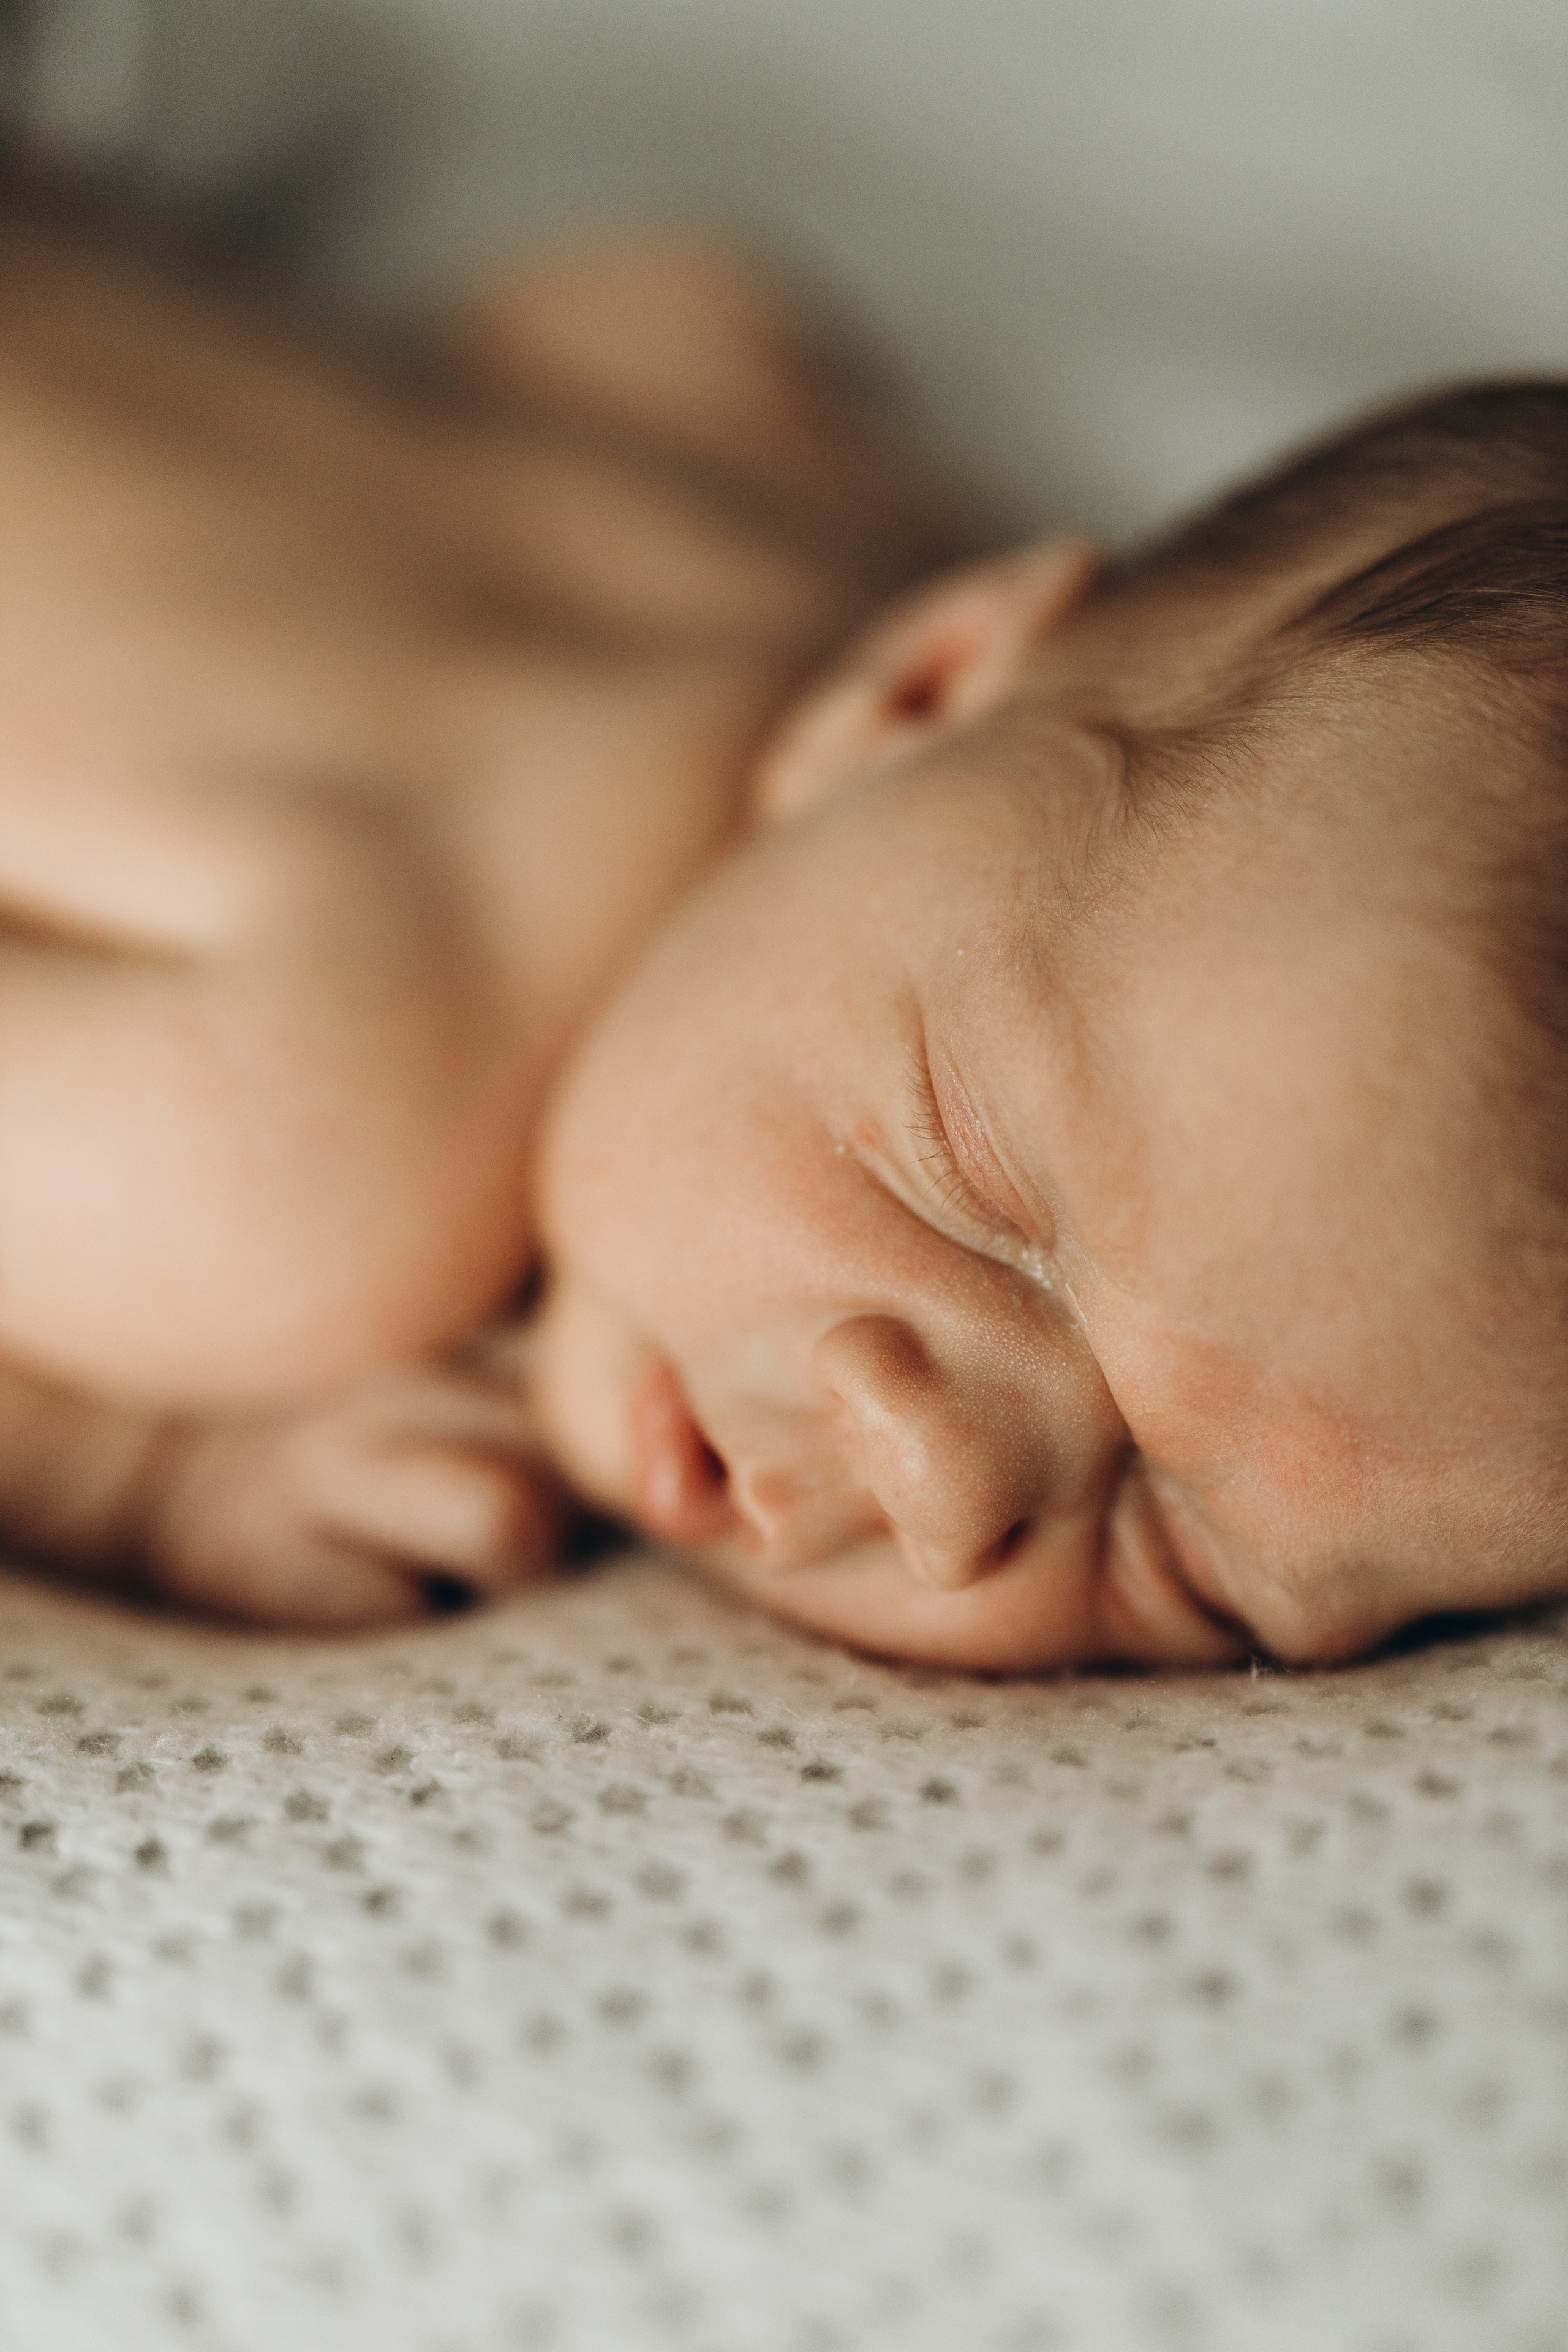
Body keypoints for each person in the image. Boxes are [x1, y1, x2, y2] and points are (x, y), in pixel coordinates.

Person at [2, 187, 1564, 1673]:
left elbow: (650, 293)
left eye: (1190, 1560)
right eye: (959, 1181)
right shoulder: (298, 1150)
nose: (932, 1481)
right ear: (921, 687)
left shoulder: (860, 550)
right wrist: (143, 1465)